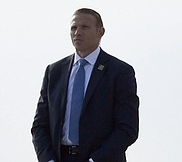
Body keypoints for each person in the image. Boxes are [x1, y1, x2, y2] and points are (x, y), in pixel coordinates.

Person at [32, 8, 140, 162]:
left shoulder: (119, 72)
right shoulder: (54, 71)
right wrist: (47, 159)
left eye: (85, 27)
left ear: (101, 31)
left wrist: (95, 160)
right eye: (74, 28)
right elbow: (39, 125)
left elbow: (127, 128)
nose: (77, 32)